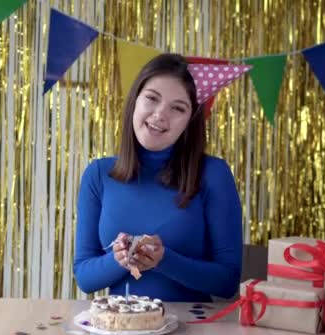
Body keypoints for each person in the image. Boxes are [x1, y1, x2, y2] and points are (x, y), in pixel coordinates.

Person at [73, 53, 243, 302]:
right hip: (119, 328)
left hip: (194, 331)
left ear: (190, 120)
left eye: (178, 108)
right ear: (135, 101)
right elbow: (85, 278)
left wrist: (164, 259)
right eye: (152, 99)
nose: (160, 115)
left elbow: (228, 281)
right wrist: (118, 259)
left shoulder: (214, 174)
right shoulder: (98, 175)